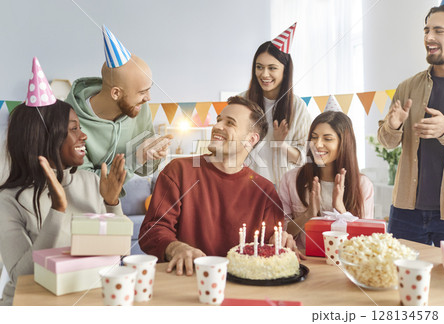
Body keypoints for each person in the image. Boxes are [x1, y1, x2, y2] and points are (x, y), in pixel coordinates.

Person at [0, 58, 126, 305]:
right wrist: (57, 211)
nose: (83, 135)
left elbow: (117, 255)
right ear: (44, 137)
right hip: (30, 308)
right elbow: (22, 276)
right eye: (73, 129)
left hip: (82, 302)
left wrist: (112, 203)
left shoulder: (91, 182)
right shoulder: (8, 200)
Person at [139, 96, 301, 276]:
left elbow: (270, 248)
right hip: (185, 280)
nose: (217, 126)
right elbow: (151, 231)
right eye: (218, 120)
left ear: (251, 139)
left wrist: (282, 241)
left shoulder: (266, 192)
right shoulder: (178, 171)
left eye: (230, 123)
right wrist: (175, 248)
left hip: (243, 288)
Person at [377, 4, 444, 246]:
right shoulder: (408, 87)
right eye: (426, 30)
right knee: (397, 280)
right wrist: (394, 125)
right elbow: (386, 142)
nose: (429, 37)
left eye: (439, 31)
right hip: (406, 211)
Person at [65, 25, 172, 186]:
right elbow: (84, 183)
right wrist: (136, 159)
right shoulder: (69, 120)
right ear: (116, 93)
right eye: (142, 92)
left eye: (149, 90)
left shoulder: (139, 109)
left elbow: (143, 170)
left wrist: (153, 154)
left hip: (114, 202)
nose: (148, 98)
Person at [279, 111, 374, 249]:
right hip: (304, 260)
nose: (317, 144)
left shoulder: (363, 185)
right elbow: (282, 233)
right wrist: (308, 214)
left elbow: (366, 240)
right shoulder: (291, 179)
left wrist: (341, 211)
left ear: (344, 143)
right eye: (314, 137)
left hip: (345, 262)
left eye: (327, 139)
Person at [240, 23, 311, 188]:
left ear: (285, 71)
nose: (264, 74)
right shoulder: (242, 101)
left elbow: (304, 157)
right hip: (246, 187)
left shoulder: (297, 107)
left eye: (272, 68)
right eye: (259, 67)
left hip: (284, 191)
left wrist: (281, 144)